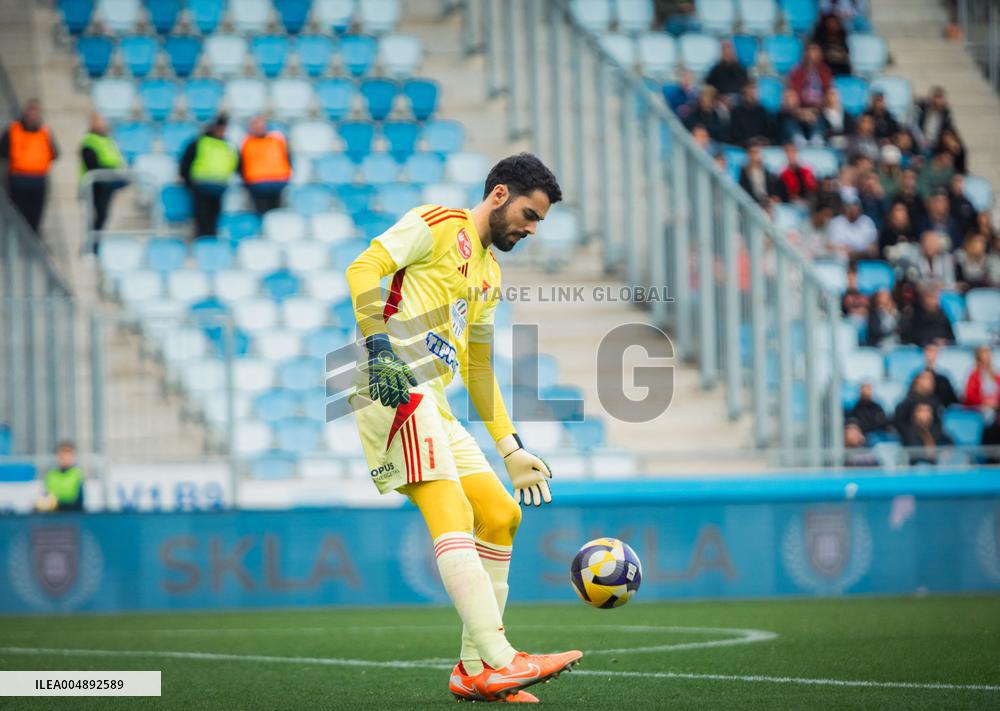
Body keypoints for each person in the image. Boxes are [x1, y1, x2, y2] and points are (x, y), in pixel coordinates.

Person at [343, 153, 581, 702]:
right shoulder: (437, 224)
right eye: (529, 214)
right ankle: (501, 658)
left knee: (500, 515)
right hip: (395, 385)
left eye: (539, 221)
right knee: (450, 511)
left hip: (437, 405)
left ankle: (472, 670)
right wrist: (378, 345)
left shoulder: (490, 275)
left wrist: (510, 446)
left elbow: (476, 366)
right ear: (499, 195)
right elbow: (362, 269)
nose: (531, 229)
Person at [0, 99, 59, 233]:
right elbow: (3, 150)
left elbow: (55, 153)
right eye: (30, 110)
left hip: (38, 180)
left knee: (35, 217)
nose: (33, 115)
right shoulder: (13, 129)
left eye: (36, 111)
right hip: (18, 179)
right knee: (19, 215)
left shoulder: (45, 132)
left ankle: (32, 245)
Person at [179, 114, 238, 238]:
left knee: (215, 216)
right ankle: (201, 240)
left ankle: (211, 240)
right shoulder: (199, 142)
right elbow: (186, 163)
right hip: (201, 186)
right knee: (201, 216)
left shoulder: (228, 145)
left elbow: (236, 163)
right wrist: (189, 183)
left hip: (219, 187)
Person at [79, 112, 126, 235]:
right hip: (95, 185)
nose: (101, 124)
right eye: (98, 121)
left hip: (107, 184)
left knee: (103, 217)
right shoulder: (89, 141)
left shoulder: (108, 140)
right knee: (96, 218)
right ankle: (91, 247)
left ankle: (96, 247)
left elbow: (116, 160)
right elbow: (92, 164)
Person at [239, 115, 292, 216]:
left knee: (276, 213)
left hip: (277, 181)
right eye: (255, 124)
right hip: (256, 183)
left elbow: (287, 157)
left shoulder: (276, 139)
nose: (258, 127)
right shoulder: (247, 142)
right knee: (261, 213)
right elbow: (241, 163)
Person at [828, 187, 878, 260]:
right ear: (844, 207)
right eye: (849, 205)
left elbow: (873, 250)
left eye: (855, 204)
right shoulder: (835, 223)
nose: (852, 208)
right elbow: (830, 247)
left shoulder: (867, 222)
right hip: (839, 262)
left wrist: (855, 253)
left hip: (863, 262)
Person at [37, 441, 84, 512]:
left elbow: (79, 502)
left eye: (68, 454)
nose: (65, 458)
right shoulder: (50, 475)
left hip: (72, 515)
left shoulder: (77, 474)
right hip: (54, 516)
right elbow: (46, 497)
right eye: (62, 455)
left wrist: (60, 504)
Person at [787, 43, 832, 109]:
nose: (811, 53)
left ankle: (837, 118)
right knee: (790, 96)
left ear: (820, 54)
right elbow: (795, 91)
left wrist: (821, 103)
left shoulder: (825, 71)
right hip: (802, 106)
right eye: (808, 50)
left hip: (821, 106)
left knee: (833, 94)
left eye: (814, 50)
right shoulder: (797, 71)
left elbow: (827, 89)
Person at [729, 82, 774, 147]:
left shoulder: (762, 110)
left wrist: (765, 140)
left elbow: (769, 131)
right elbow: (734, 135)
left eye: (754, 92)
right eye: (749, 94)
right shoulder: (736, 112)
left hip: (762, 146)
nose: (753, 95)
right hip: (744, 146)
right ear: (743, 95)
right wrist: (748, 142)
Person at [738, 140, 781, 206]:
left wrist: (773, 197)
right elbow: (743, 192)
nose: (755, 155)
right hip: (752, 205)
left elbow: (773, 190)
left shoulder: (766, 171)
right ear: (748, 154)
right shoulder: (743, 172)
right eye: (753, 152)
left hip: (768, 204)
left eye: (757, 152)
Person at [914, 86, 954, 152]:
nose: (938, 100)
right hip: (919, 142)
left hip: (936, 146)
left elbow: (948, 129)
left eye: (940, 97)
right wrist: (921, 140)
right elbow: (914, 125)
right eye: (936, 97)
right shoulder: (922, 108)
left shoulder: (945, 114)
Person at [963, 345, 1000, 411]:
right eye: (984, 352)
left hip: (995, 407)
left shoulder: (995, 373)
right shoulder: (973, 375)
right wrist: (984, 402)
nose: (987, 355)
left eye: (988, 352)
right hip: (980, 408)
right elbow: (970, 396)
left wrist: (995, 401)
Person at [922, 344, 959, 408]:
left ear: (937, 353)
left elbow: (952, 400)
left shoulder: (944, 378)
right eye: (928, 350)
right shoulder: (917, 376)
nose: (929, 354)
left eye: (933, 351)